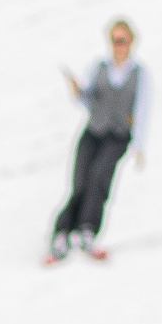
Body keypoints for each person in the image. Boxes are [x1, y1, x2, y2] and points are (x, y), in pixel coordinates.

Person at [48, 19, 149, 265]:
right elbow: (89, 101)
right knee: (80, 181)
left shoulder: (139, 73)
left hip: (117, 135)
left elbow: (143, 108)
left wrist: (139, 145)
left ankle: (87, 230)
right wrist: (77, 92)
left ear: (131, 42)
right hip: (93, 131)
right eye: (114, 40)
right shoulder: (98, 67)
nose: (118, 46)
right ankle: (62, 232)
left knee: (99, 178)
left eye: (122, 40)